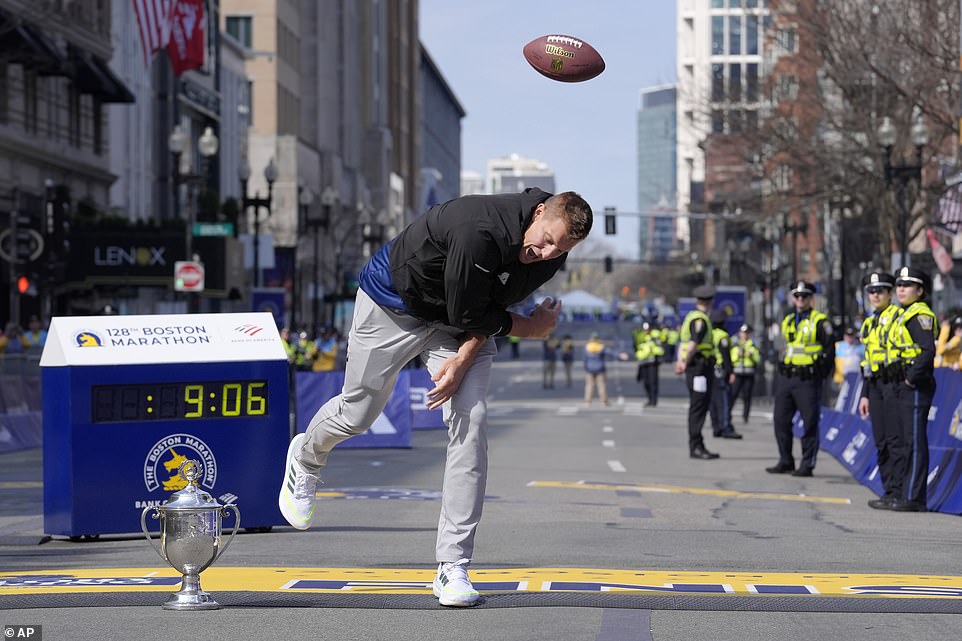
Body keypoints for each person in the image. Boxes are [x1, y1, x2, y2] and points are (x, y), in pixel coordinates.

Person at [278, 188, 592, 607]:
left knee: (472, 421)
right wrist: (531, 329)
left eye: (560, 249)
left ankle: (453, 567)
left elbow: (482, 311)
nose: (547, 253)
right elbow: (470, 311)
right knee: (358, 413)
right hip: (392, 306)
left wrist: (462, 360)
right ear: (538, 213)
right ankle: (306, 457)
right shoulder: (478, 228)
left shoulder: (549, 254)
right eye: (547, 239)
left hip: (455, 329)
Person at [766, 280, 835, 477]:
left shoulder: (821, 321)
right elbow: (781, 346)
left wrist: (820, 375)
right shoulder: (788, 319)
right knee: (780, 419)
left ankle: (807, 464)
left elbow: (830, 351)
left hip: (808, 379)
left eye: (804, 296)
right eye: (796, 296)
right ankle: (785, 460)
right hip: (788, 377)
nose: (800, 299)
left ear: (811, 298)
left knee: (809, 422)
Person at [884, 266, 937, 512]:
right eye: (899, 285)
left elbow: (927, 351)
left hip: (914, 386)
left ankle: (914, 498)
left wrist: (911, 379)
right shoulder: (902, 314)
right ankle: (904, 494)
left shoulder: (920, 315)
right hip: (901, 383)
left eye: (907, 286)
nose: (901, 290)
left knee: (914, 442)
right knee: (905, 441)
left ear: (920, 290)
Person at [856, 271, 901, 509]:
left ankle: (898, 491)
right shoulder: (869, 322)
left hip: (894, 383)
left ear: (890, 293)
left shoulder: (898, 316)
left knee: (894, 440)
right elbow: (868, 361)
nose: (875, 295)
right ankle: (888, 489)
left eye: (880, 291)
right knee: (881, 440)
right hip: (875, 385)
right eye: (871, 291)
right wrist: (864, 393)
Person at [675, 285, 720, 460]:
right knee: (699, 407)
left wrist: (681, 361)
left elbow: (683, 342)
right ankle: (696, 446)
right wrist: (685, 362)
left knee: (698, 406)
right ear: (710, 302)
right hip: (699, 368)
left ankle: (698, 444)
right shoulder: (700, 320)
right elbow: (693, 343)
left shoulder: (691, 317)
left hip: (695, 367)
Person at [709, 308, 742, 439]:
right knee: (723, 400)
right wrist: (731, 371)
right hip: (720, 370)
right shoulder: (722, 336)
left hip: (710, 369)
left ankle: (716, 427)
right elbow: (726, 356)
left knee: (713, 401)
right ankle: (726, 427)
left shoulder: (710, 334)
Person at [730, 323, 760, 424]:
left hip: (749, 373)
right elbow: (732, 358)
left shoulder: (753, 344)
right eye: (743, 332)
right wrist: (739, 355)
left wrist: (750, 355)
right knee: (733, 394)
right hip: (738, 373)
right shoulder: (735, 344)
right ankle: (728, 413)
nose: (744, 335)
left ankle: (745, 416)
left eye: (746, 333)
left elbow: (757, 358)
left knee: (747, 396)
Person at [632, 321, 662, 406]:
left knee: (653, 382)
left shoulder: (655, 336)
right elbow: (636, 346)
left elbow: (661, 343)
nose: (646, 331)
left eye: (648, 329)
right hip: (643, 361)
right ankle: (649, 398)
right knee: (645, 382)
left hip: (652, 361)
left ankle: (653, 400)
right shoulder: (640, 336)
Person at [583, 332, 610, 406]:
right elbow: (608, 353)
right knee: (601, 385)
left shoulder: (587, 347)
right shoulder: (600, 347)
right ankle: (604, 401)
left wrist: (586, 367)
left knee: (589, 386)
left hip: (589, 369)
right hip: (600, 368)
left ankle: (588, 401)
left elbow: (585, 359)